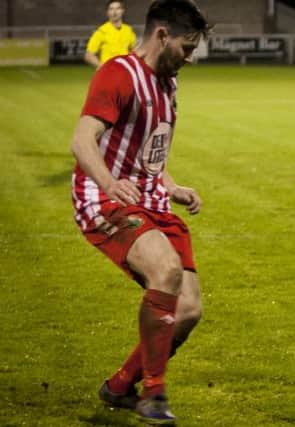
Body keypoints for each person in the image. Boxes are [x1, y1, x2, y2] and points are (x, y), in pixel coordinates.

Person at [70, 1, 210, 424]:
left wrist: (171, 184)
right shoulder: (118, 74)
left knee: (187, 310)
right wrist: (110, 183)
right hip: (104, 198)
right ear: (162, 35)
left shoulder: (168, 85)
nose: (190, 58)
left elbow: (151, 150)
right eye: (186, 47)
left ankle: (119, 386)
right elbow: (81, 141)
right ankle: (154, 393)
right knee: (165, 271)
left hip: (150, 200)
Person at [84, 0, 137, 68]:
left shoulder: (128, 30)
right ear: (107, 12)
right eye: (111, 9)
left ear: (122, 11)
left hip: (125, 72)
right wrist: (102, 67)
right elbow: (88, 55)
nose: (114, 12)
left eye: (118, 8)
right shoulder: (101, 31)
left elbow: (135, 51)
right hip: (109, 72)